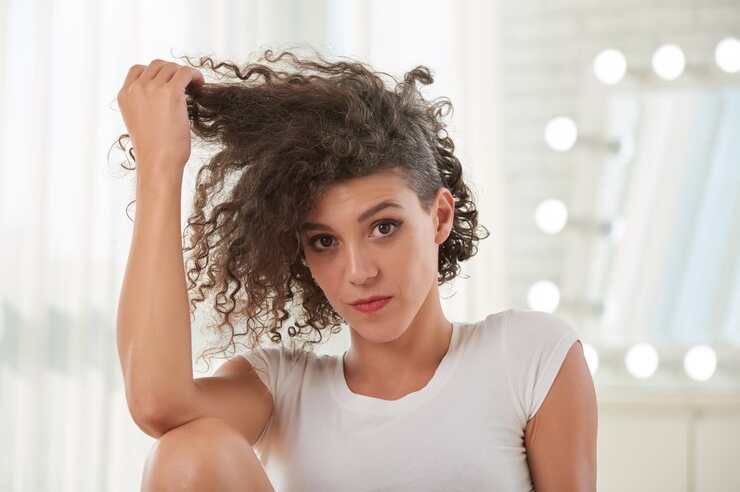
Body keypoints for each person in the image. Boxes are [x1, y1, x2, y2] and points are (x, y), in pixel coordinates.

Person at [115, 47, 597, 492]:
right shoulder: (282, 388)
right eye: (324, 241)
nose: (358, 272)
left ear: (440, 217)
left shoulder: (528, 356)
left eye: (384, 227)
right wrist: (159, 164)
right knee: (186, 453)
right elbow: (159, 404)